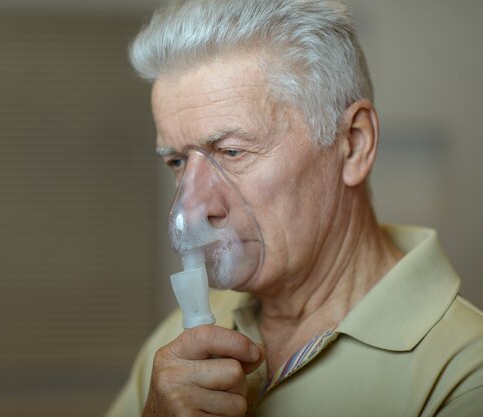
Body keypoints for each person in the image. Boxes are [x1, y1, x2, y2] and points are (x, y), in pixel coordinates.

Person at [105, 0, 483, 415]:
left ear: (353, 144)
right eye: (177, 162)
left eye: (232, 151)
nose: (192, 209)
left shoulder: (464, 375)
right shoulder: (178, 348)